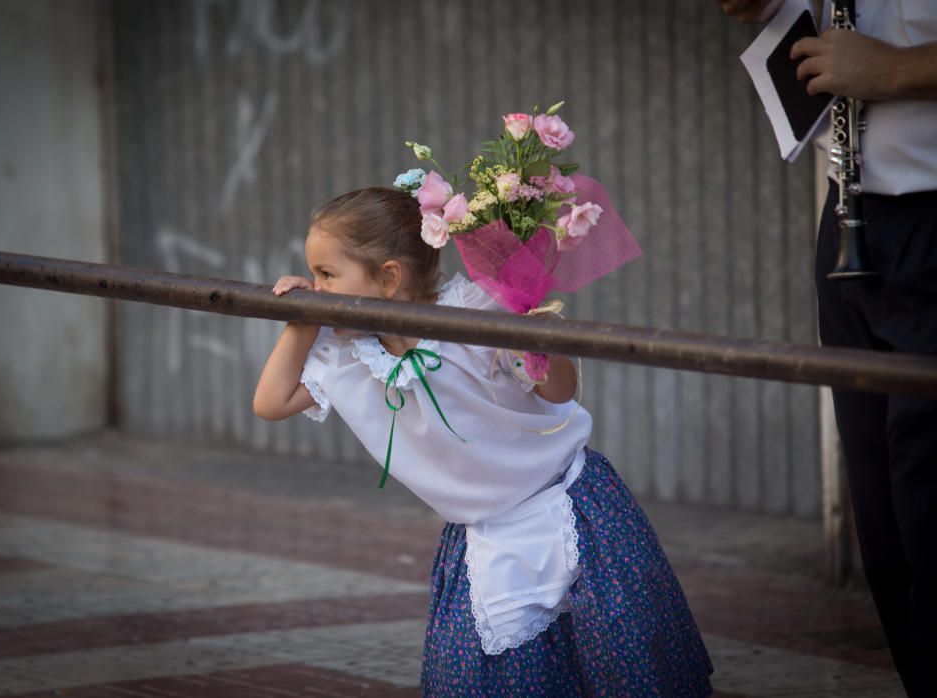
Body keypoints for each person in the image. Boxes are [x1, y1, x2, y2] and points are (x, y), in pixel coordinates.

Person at [253, 187, 713, 695]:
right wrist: (301, 319)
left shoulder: (475, 310)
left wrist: (532, 334)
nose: (315, 286)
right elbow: (270, 403)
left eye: (326, 274)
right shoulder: (345, 351)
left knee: (619, 673)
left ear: (388, 278)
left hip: (574, 514)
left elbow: (560, 393)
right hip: (482, 539)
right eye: (313, 273)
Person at [719, 1, 937, 695]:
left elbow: (885, 59)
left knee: (928, 507)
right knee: (882, 523)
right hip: (851, 218)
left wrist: (898, 70)